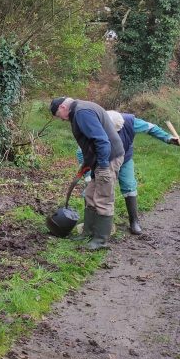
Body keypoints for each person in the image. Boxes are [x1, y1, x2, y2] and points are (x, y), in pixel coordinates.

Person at [77, 110, 180, 235]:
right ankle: (91, 224)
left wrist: (168, 138)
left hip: (124, 158)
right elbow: (81, 151)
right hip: (100, 161)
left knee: (129, 186)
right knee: (90, 189)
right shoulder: (93, 126)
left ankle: (134, 221)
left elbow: (151, 128)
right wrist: (88, 175)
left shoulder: (129, 121)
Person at [50, 97, 124, 250]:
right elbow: (90, 142)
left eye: (59, 115)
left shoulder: (82, 112)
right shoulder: (81, 109)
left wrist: (103, 166)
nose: (62, 120)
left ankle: (101, 240)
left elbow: (102, 140)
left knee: (103, 197)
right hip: (100, 159)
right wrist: (88, 163)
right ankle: (88, 231)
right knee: (90, 194)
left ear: (63, 107)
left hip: (108, 159)